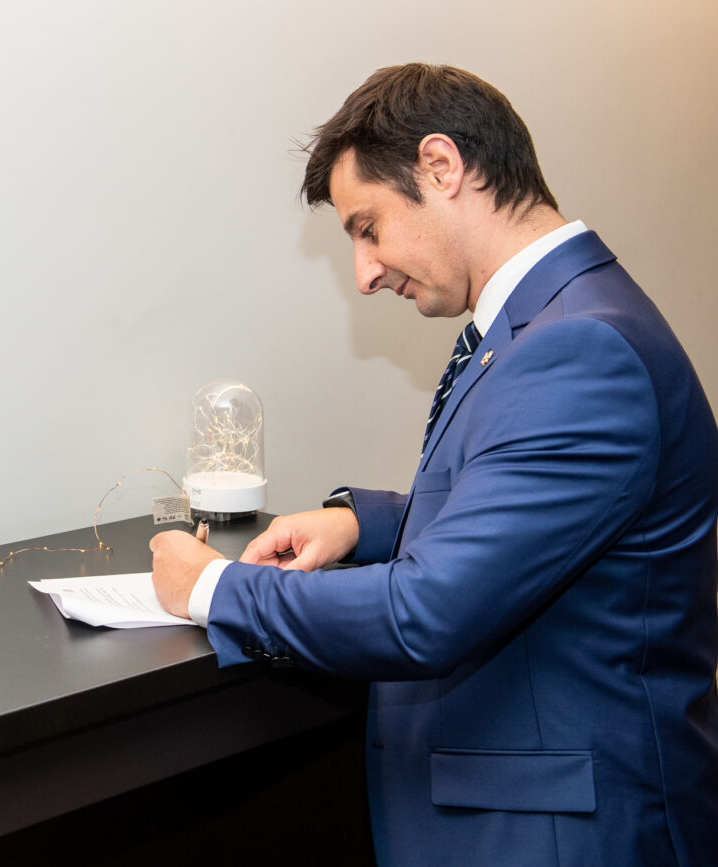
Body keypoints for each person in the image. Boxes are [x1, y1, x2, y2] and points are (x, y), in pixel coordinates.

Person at [150, 63, 718, 866]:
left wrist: (211, 586)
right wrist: (362, 522)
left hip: (562, 837)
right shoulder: (553, 322)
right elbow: (519, 507)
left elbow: (427, 612)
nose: (365, 273)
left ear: (442, 166)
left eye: (367, 227)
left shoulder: (579, 348)